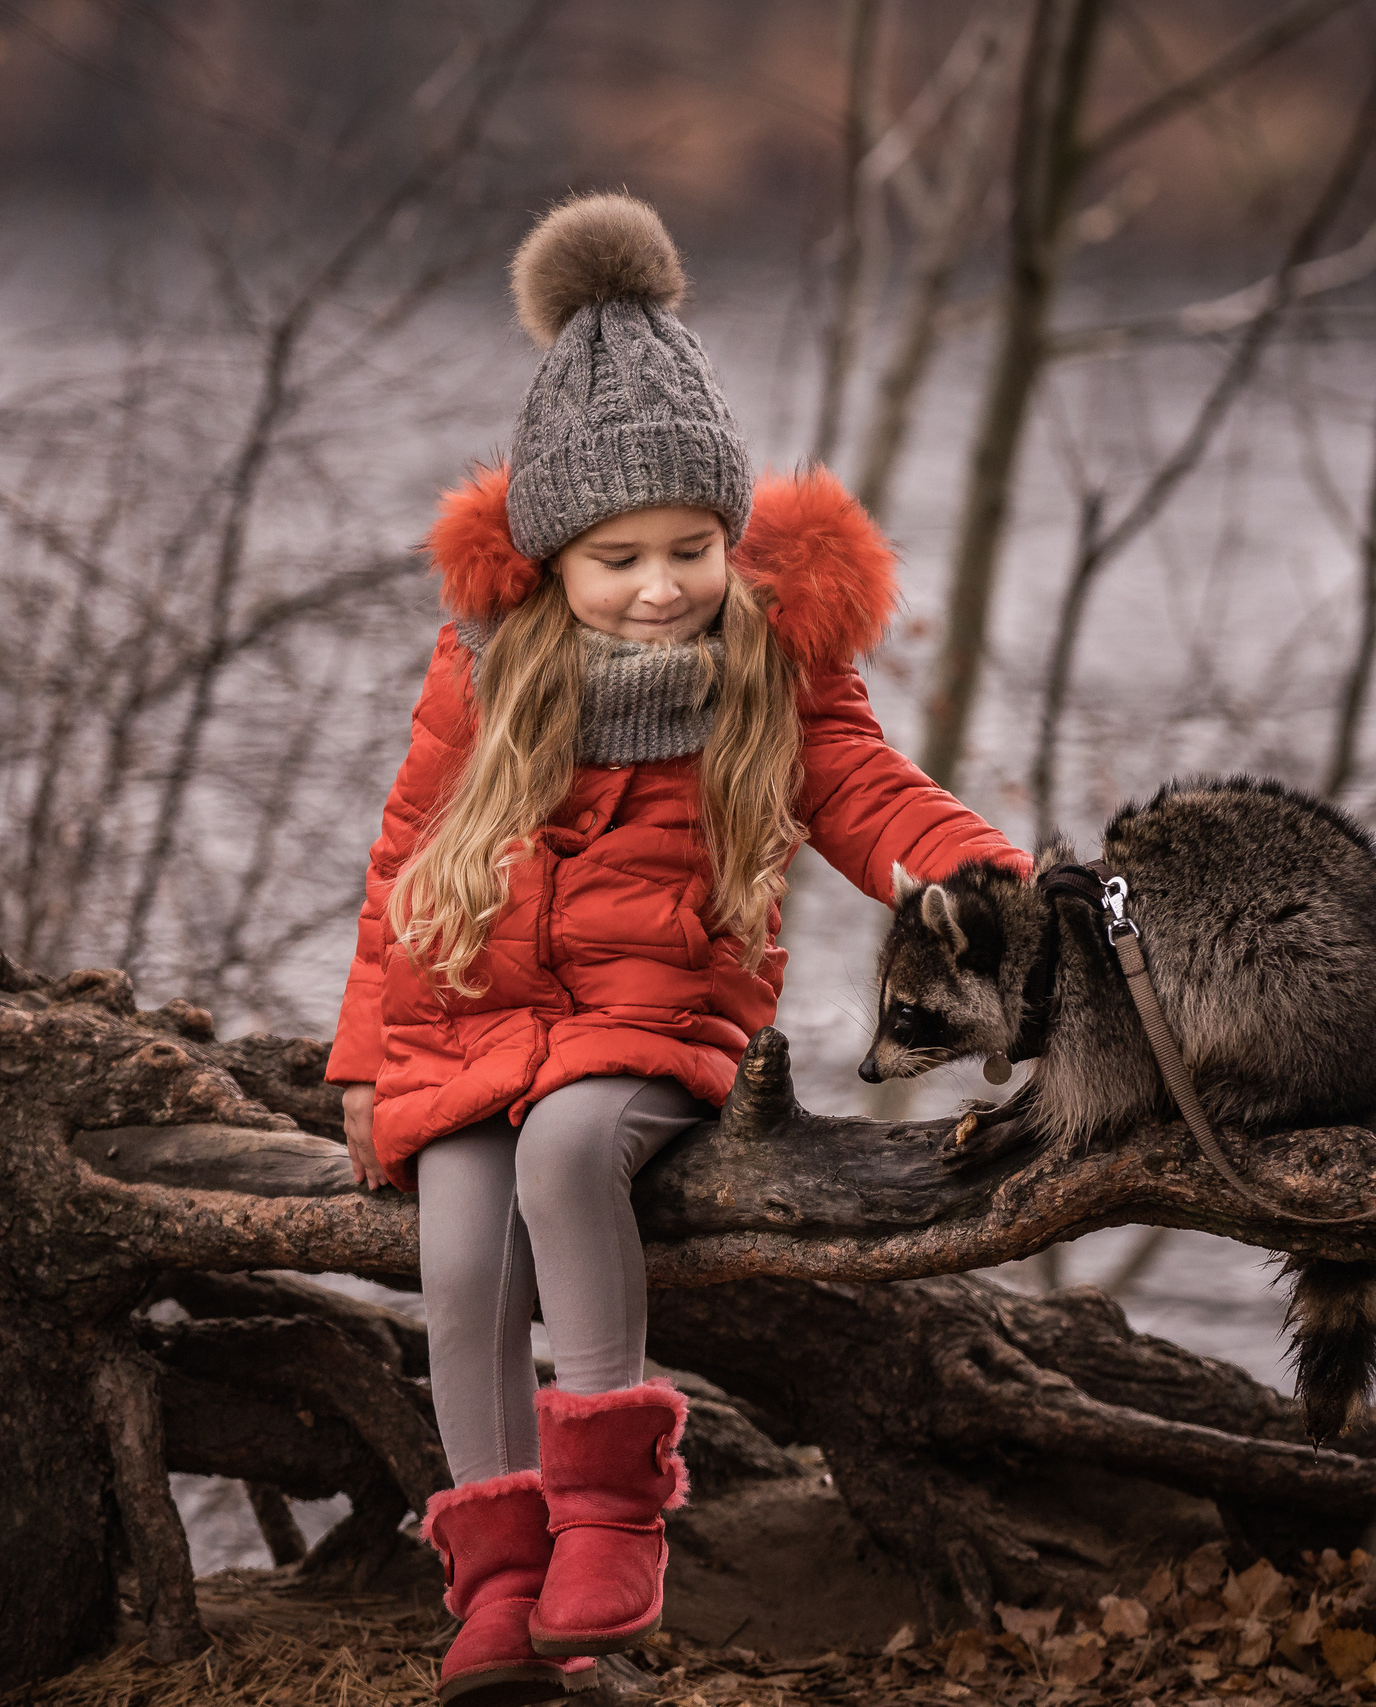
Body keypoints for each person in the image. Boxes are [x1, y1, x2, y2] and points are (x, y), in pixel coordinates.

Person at [324, 194, 1025, 1706]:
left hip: (652, 1015)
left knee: (570, 1158)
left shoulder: (772, 657)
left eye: (691, 548)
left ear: (732, 534)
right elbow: (401, 859)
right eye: (619, 557)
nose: (660, 587)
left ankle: (611, 1516)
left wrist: (970, 868)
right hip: (469, 1016)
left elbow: (861, 792)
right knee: (454, 1260)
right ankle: (499, 1588)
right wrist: (366, 1061)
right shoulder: (484, 668)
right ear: (551, 558)